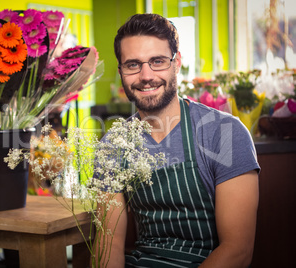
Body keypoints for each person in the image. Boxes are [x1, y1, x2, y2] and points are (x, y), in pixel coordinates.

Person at [97, 14, 260, 267]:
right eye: (132, 65)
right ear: (121, 72)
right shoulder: (113, 145)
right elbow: (110, 245)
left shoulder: (224, 132)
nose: (146, 75)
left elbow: (237, 250)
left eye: (158, 61)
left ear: (177, 63)